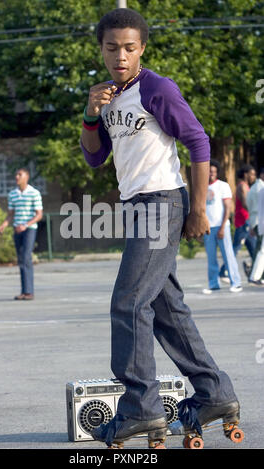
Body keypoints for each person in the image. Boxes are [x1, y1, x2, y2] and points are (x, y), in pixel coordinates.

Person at [80, 8, 241, 449]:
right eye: (112, 48)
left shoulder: (157, 88)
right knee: (167, 311)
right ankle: (214, 394)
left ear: (142, 49)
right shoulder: (108, 96)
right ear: (102, 50)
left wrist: (200, 209)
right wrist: (92, 115)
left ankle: (140, 409)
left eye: (130, 48)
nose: (121, 56)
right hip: (137, 206)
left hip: (162, 201)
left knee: (128, 303)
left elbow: (198, 140)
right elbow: (95, 157)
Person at [0, 168, 43, 300]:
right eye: (16, 175)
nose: (17, 177)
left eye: (20, 174)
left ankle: (29, 291)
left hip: (29, 229)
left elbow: (39, 215)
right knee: (21, 260)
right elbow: (10, 214)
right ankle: (24, 291)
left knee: (26, 257)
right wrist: (4, 224)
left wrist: (25, 225)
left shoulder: (34, 193)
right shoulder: (12, 194)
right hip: (16, 229)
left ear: (27, 177)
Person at [202, 160, 242, 294]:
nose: (211, 174)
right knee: (211, 257)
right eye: (209, 171)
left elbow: (228, 208)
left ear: (217, 172)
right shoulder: (202, 187)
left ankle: (236, 283)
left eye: (213, 171)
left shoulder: (223, 186)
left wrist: (223, 226)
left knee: (228, 256)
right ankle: (213, 284)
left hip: (221, 226)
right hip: (208, 227)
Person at [219, 164, 256, 281]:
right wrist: (256, 213)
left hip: (247, 221)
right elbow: (245, 204)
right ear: (246, 175)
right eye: (252, 174)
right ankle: (223, 272)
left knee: (255, 250)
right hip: (243, 222)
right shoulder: (242, 186)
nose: (253, 177)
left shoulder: (245, 186)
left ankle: (254, 274)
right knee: (235, 248)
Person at [245, 168, 264, 280]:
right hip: (260, 220)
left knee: (259, 248)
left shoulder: (254, 187)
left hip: (255, 220)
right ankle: (255, 275)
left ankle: (256, 275)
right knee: (260, 250)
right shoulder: (260, 188)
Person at [248, 186, 264, 285]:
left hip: (261, 223)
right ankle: (255, 276)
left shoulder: (261, 190)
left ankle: (255, 276)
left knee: (262, 252)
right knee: (262, 252)